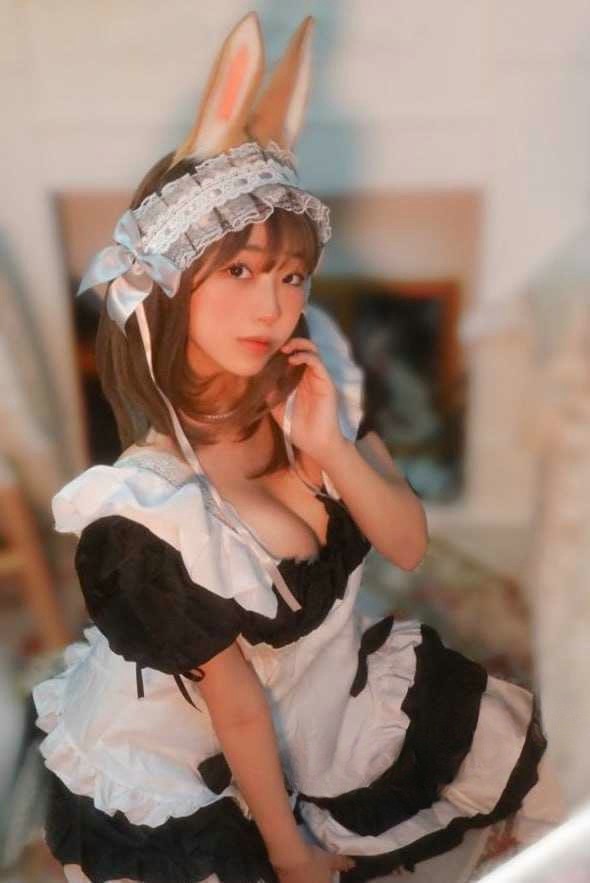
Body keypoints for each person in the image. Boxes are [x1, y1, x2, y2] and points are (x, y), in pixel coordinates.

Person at [32, 12, 562, 883]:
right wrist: (289, 851)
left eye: (290, 275)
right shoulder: (145, 511)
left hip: (318, 690)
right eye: (239, 270)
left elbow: (408, 544)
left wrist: (332, 447)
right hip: (200, 743)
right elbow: (236, 705)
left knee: (486, 738)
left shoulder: (311, 379)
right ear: (168, 285)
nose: (274, 307)